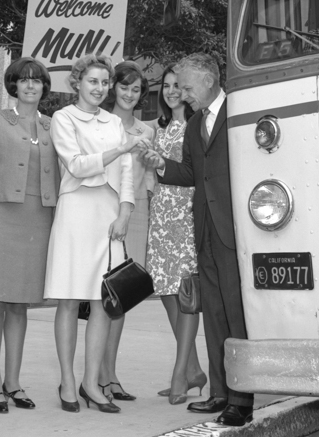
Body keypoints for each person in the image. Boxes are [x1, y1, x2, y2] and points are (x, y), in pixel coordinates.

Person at [141, 53, 254, 427]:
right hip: (202, 229)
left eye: (187, 86)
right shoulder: (194, 125)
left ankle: (242, 397)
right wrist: (159, 163)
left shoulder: (240, 113)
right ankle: (220, 392)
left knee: (236, 313)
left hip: (235, 229)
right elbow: (190, 173)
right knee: (216, 314)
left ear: (208, 81)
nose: (184, 94)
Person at [43, 54, 140, 415]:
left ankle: (91, 382)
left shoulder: (114, 121)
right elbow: (77, 165)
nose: (99, 88)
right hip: (76, 212)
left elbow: (127, 172)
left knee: (103, 301)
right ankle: (67, 381)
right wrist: (120, 149)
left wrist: (126, 212)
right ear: (77, 83)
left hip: (109, 215)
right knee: (69, 300)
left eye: (104, 82)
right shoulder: (62, 118)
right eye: (92, 81)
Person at [0, 57, 59, 414]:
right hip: (0, 216)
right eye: (24, 80)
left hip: (39, 221)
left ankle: (14, 382)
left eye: (37, 81)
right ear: (13, 85)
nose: (31, 86)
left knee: (20, 304)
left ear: (44, 87)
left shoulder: (54, 126)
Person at [145, 64, 206, 405]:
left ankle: (180, 374)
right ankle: (195, 370)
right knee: (167, 293)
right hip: (161, 215)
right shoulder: (159, 128)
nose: (170, 91)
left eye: (176, 85)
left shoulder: (197, 125)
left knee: (186, 295)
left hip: (185, 214)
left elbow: (193, 172)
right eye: (166, 86)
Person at [98, 60, 156, 402]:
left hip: (136, 212)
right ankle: (97, 375)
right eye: (124, 87)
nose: (130, 95)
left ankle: (110, 373)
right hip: (104, 211)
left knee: (123, 294)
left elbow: (148, 179)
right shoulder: (99, 124)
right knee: (100, 295)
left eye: (136, 90)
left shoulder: (146, 132)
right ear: (113, 88)